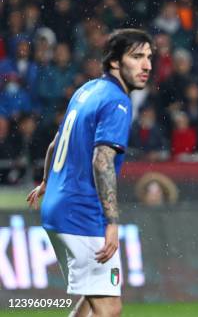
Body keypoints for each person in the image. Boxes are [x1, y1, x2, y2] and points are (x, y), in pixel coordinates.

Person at [26, 29, 153, 317]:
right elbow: (102, 161)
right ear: (115, 63)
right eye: (136, 57)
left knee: (91, 300)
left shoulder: (87, 90)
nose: (146, 65)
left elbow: (54, 144)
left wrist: (47, 181)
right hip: (82, 214)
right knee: (110, 309)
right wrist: (111, 222)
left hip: (56, 210)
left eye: (148, 57)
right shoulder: (117, 102)